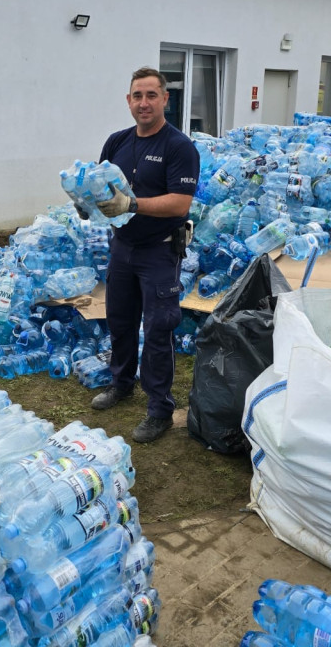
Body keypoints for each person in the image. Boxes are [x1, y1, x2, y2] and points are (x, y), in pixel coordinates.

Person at [89, 66, 200, 443]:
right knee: (119, 321)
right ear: (128, 101)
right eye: (137, 96)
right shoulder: (116, 142)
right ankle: (121, 384)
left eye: (152, 95)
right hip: (122, 248)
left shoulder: (178, 147)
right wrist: (85, 202)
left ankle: (159, 409)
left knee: (157, 329)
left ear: (166, 99)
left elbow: (179, 203)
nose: (144, 103)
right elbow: (99, 189)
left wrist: (131, 205)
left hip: (159, 251)